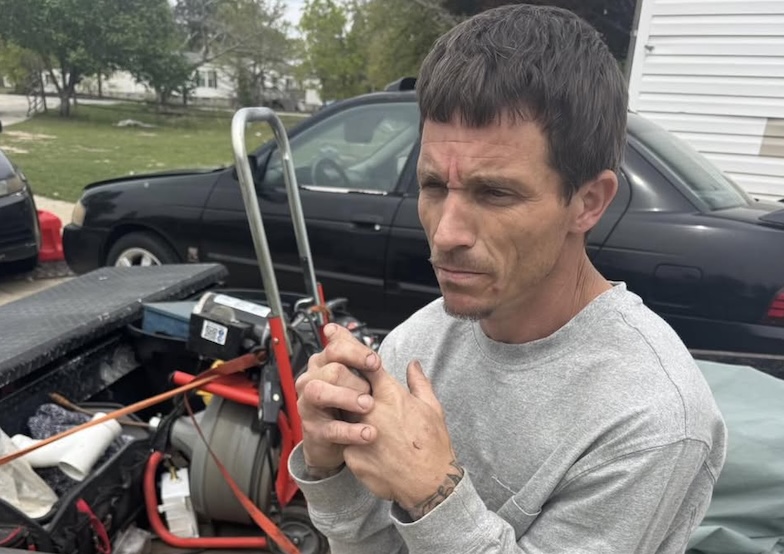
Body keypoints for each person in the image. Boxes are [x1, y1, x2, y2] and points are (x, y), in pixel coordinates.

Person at [288, 4, 727, 552]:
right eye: (433, 186)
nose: (446, 232)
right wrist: (332, 466)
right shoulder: (417, 343)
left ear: (589, 202)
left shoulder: (649, 419)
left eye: (494, 193)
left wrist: (433, 495)